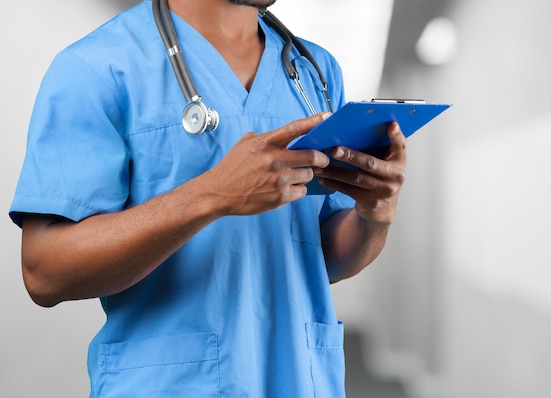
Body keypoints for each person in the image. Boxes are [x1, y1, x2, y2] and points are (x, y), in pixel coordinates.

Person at [9, 0, 407, 396]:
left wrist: (374, 215)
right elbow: (45, 272)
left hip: (299, 380)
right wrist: (213, 194)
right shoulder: (98, 67)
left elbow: (322, 258)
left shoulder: (314, 71)